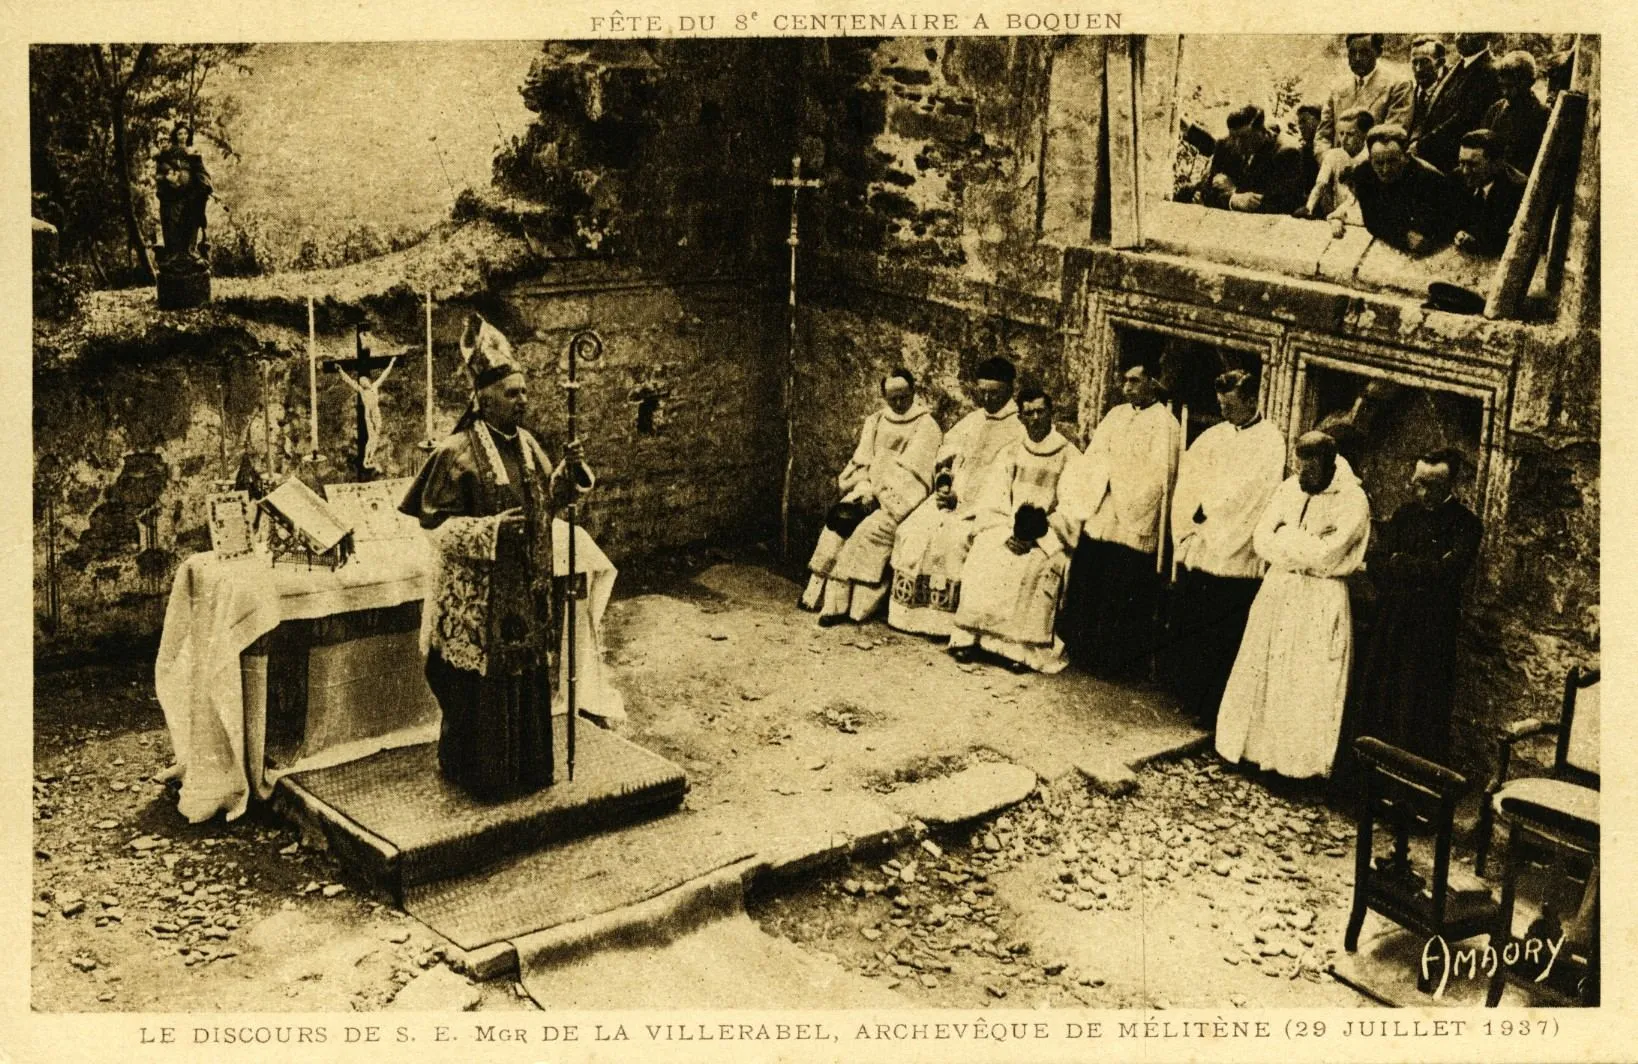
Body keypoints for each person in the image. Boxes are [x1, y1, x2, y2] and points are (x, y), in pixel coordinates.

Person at [398, 314, 593, 800]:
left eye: (524, 392)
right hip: (478, 598)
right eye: (512, 393)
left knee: (526, 676)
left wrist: (570, 475)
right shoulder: (456, 452)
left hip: (525, 587)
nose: (522, 400)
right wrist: (488, 532)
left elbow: (550, 498)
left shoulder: (527, 445)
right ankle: (483, 775)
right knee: (481, 688)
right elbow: (434, 527)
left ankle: (528, 769)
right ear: (483, 400)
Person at [1215, 431, 1370, 780]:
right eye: (1299, 465)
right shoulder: (1289, 489)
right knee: (1262, 667)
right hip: (1279, 589)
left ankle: (1294, 767)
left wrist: (1286, 537)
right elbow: (1261, 540)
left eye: (1311, 466)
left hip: (1320, 597)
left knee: (1305, 679)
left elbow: (1328, 553)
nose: (1303, 474)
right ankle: (1251, 752)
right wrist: (1299, 543)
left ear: (1330, 464)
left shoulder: (1353, 500)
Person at [1167, 370, 1286, 727]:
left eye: (1231, 405)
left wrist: (1212, 512)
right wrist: (1192, 523)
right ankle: (1189, 696)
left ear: (1251, 401)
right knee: (1196, 627)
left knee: (1224, 636)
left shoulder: (1270, 442)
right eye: (1220, 405)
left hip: (1237, 554)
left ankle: (1214, 710)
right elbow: (1188, 482)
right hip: (1204, 548)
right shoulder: (1212, 437)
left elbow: (1253, 496)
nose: (1225, 413)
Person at [1351, 449, 1482, 765]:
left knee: (1418, 707)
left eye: (1429, 485)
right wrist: (1413, 568)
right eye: (1417, 483)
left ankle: (1407, 793)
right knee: (1379, 699)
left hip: (1430, 632)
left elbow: (1447, 575)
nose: (1420, 491)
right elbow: (1379, 564)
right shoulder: (1404, 515)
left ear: (1450, 485)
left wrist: (1403, 564)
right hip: (1390, 621)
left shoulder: (1466, 526)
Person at [1057, 357, 1181, 679]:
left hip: (1133, 516)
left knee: (1122, 588)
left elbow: (1160, 476)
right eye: (1125, 381)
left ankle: (1114, 662)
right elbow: (1096, 454)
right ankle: (1081, 649)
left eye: (1135, 381)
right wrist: (1100, 481)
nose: (1127, 388)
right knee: (1091, 577)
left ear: (1153, 382)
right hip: (1103, 506)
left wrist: (1121, 480)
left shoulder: (1167, 425)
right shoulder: (1115, 415)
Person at [888, 357, 1025, 637]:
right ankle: (909, 618)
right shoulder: (973, 420)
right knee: (912, 531)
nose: (987, 399)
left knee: (951, 542)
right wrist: (945, 485)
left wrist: (965, 504)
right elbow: (945, 457)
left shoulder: (1019, 429)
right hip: (950, 500)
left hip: (986, 510)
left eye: (994, 393)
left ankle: (944, 624)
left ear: (1010, 390)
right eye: (982, 392)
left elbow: (1009, 482)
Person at [948, 386, 1081, 673]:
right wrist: (1007, 531)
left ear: (1051, 413)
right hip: (1007, 527)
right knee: (985, 552)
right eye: (1028, 413)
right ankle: (972, 637)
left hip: (1045, 536)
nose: (1035, 418)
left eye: (1040, 412)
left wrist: (1036, 536)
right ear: (1021, 417)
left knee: (1034, 567)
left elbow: (1071, 506)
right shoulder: (1010, 452)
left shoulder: (1069, 456)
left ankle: (1020, 650)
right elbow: (994, 497)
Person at [801, 368, 942, 626]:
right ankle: (819, 597)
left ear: (913, 392)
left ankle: (850, 608)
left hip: (899, 503)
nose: (898, 403)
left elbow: (915, 474)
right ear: (884, 396)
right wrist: (864, 490)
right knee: (838, 522)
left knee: (866, 532)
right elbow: (863, 462)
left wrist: (879, 499)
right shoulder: (876, 421)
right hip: (869, 492)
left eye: (904, 397)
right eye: (892, 398)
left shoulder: (926, 426)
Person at [1337, 123, 1458, 252]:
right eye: (1378, 163)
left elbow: (1443, 224)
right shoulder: (1363, 174)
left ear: (1406, 157)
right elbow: (1372, 220)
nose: (1385, 169)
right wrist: (1403, 236)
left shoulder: (1430, 179)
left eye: (1392, 161)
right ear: (1370, 159)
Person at [1410, 33, 1501, 174]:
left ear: (1485, 36)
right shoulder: (1460, 65)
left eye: (1469, 32)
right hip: (1438, 155)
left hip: (1457, 161)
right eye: (1459, 31)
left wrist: (1422, 146)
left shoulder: (1488, 71)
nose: (1460, 37)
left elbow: (1464, 119)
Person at [1315, 34, 1414, 160]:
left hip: (1374, 168)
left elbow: (1391, 134)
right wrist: (1328, 162)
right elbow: (1323, 135)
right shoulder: (1338, 87)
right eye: (1352, 53)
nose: (1357, 58)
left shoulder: (1398, 85)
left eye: (1364, 52)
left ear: (1379, 52)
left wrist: (1355, 167)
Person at [1199, 105, 1308, 215]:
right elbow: (1206, 193)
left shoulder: (1287, 153)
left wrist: (1235, 191)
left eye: (1243, 137)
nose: (1237, 144)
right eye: (1233, 137)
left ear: (1262, 131)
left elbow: (1282, 204)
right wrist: (1233, 199)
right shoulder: (1225, 146)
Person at [1453, 129, 1527, 257]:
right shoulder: (1457, 177)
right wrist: (1458, 233)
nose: (1465, 171)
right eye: (1462, 162)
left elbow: (1508, 241)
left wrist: (1478, 243)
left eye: (1472, 164)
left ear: (1496, 163)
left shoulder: (1517, 190)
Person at [1296, 107, 1373, 221]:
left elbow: (1358, 198)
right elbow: (1320, 185)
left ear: (1364, 135)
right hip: (1337, 215)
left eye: (1350, 134)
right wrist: (1309, 207)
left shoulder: (1371, 159)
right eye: (1341, 133)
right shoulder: (1333, 155)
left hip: (1360, 216)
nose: (1344, 139)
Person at [1482, 50, 1549, 176]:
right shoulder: (1495, 110)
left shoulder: (1542, 115)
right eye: (1503, 86)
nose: (1506, 92)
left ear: (1530, 82)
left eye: (1511, 87)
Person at [155, 123, 212, 263]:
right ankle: (174, 255)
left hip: (190, 194)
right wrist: (168, 179)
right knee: (173, 223)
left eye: (185, 134)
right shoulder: (169, 151)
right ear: (175, 135)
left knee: (191, 220)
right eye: (180, 134)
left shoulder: (192, 152)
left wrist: (206, 187)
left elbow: (200, 171)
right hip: (173, 195)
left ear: (189, 135)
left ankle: (190, 251)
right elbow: (160, 171)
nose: (183, 137)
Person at [337, 356, 398, 476]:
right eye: (360, 382)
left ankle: (371, 457)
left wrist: (391, 362)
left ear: (368, 381)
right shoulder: (361, 391)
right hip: (368, 415)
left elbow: (384, 374)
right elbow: (349, 381)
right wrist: (340, 370)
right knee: (372, 437)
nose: (362, 383)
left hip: (376, 412)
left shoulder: (375, 386)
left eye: (363, 381)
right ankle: (367, 458)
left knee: (376, 436)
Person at [1407, 36, 1449, 142]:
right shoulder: (1408, 92)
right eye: (1414, 62)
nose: (1418, 69)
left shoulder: (1451, 92)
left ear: (1440, 63)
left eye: (1425, 62)